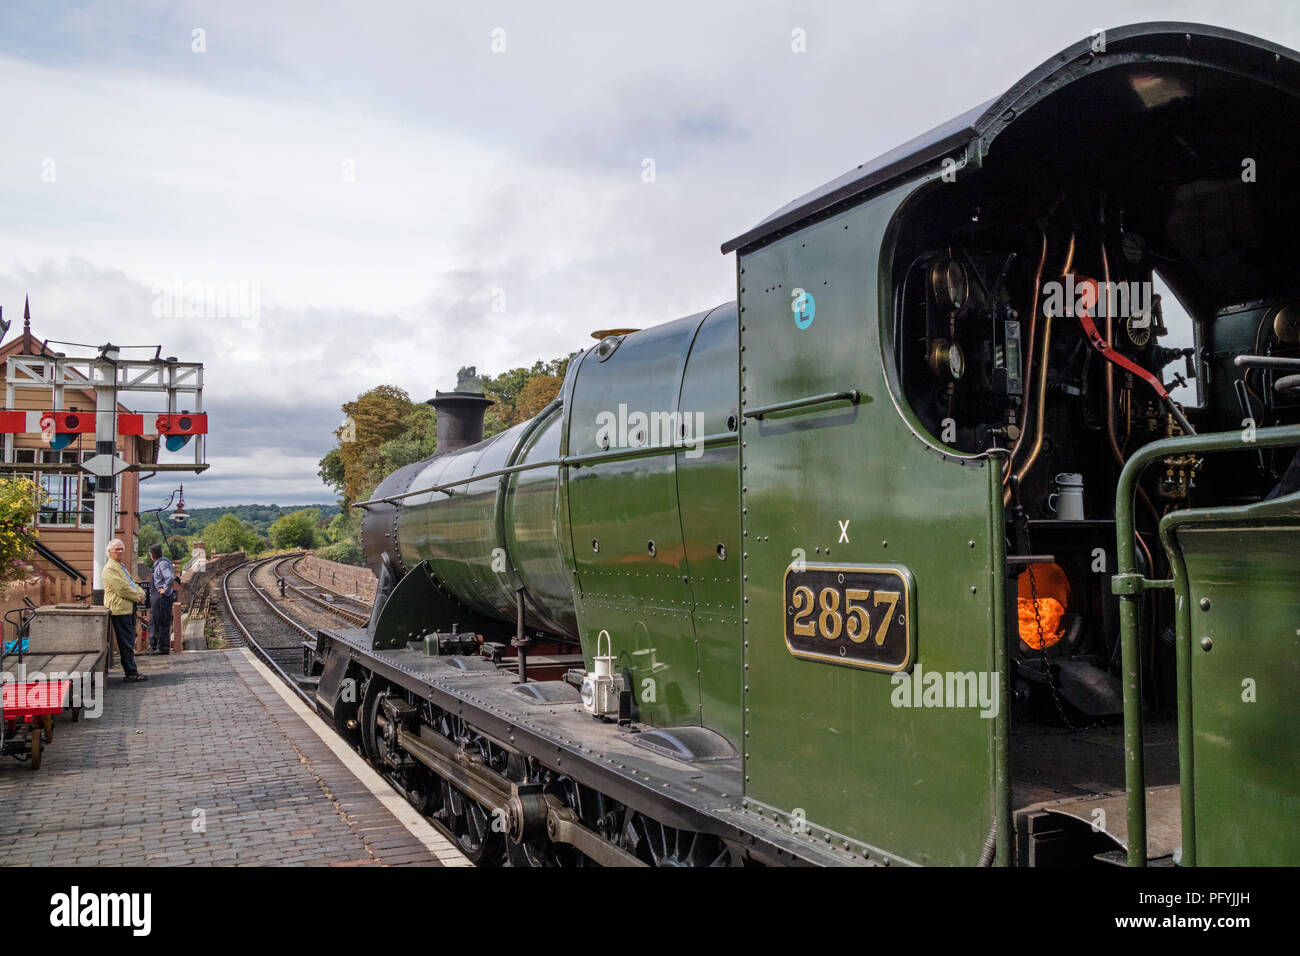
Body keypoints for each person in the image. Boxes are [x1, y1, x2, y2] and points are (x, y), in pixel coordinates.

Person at [104, 539, 147, 682]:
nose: (120, 552)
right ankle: (131, 673)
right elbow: (121, 588)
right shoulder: (110, 568)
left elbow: (131, 583)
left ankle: (132, 670)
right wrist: (137, 596)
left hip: (127, 608)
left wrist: (141, 592)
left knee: (129, 639)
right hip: (120, 610)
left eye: (122, 549)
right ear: (109, 552)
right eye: (117, 549)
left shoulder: (120, 566)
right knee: (126, 643)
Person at [149, 544, 176, 655]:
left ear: (152, 555)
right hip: (160, 597)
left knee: (158, 622)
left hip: (161, 597)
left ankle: (160, 647)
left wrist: (164, 590)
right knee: (158, 621)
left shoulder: (162, 564)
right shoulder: (163, 562)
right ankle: (159, 646)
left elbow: (169, 578)